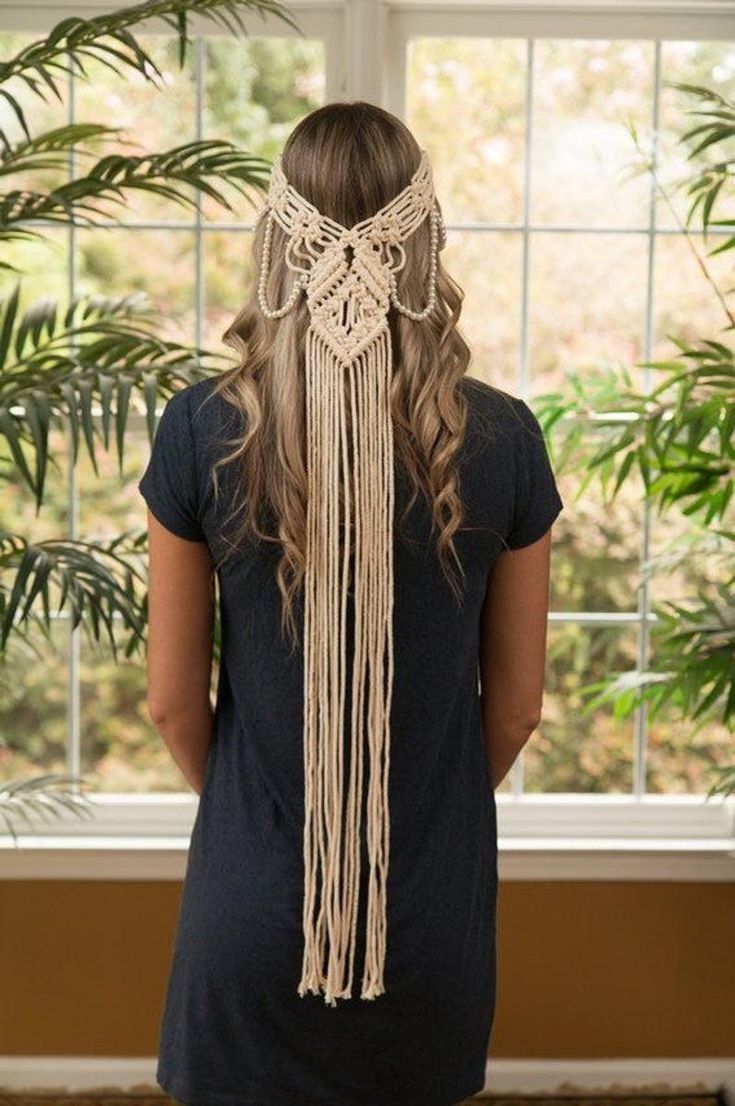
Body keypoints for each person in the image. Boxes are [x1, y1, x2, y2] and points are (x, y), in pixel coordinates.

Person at [138, 100, 564, 1106]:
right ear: (422, 240)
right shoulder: (502, 438)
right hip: (427, 914)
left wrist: (258, 814)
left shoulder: (202, 428)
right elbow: (516, 709)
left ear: (279, 239)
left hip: (249, 903)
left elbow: (168, 700)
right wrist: (426, 803)